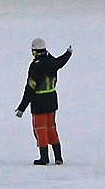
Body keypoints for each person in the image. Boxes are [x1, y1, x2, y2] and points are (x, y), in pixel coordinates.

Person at [15, 37, 73, 165]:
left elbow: (30, 89)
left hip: (39, 102)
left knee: (40, 129)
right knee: (51, 128)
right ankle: (58, 157)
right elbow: (60, 61)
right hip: (52, 100)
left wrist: (21, 108)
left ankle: (44, 157)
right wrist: (68, 53)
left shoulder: (35, 66)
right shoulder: (51, 61)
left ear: (35, 51)